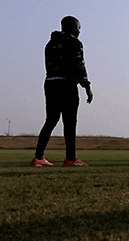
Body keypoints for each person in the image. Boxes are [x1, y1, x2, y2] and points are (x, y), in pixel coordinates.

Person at [32, 16, 94, 167]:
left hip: (50, 83)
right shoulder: (74, 42)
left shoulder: (50, 44)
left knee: (51, 120)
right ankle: (70, 159)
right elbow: (79, 65)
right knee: (70, 122)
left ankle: (38, 157)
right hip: (67, 84)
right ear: (73, 27)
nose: (79, 31)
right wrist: (87, 86)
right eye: (78, 28)